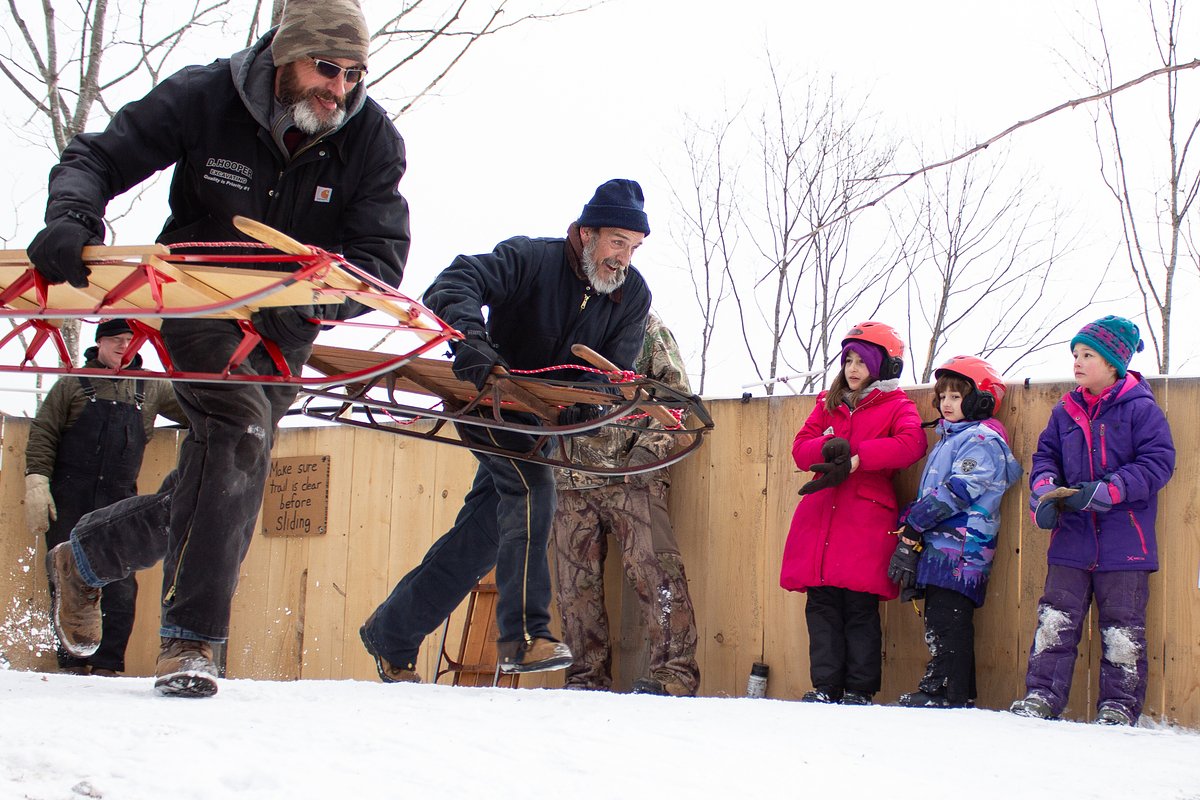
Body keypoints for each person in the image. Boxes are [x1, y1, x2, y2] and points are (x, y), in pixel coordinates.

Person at [30, 0, 410, 697]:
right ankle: (191, 644)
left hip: (287, 324)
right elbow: (101, 154)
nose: (340, 88)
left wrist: (338, 294)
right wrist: (73, 216)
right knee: (235, 434)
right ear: (285, 56)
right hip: (199, 296)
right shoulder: (209, 95)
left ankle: (86, 557)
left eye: (354, 74)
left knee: (226, 470)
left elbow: (382, 252)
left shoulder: (371, 140)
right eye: (327, 68)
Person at [359, 178, 653, 682]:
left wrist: (589, 404)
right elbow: (455, 280)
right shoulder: (530, 260)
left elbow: (611, 372)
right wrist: (471, 339)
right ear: (585, 234)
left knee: (481, 537)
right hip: (489, 403)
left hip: (546, 424)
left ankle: (393, 634)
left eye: (634, 247)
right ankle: (524, 637)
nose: (623, 258)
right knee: (531, 488)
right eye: (617, 242)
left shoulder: (631, 296)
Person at [1010, 316, 1175, 726]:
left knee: (1122, 628)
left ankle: (1118, 707)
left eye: (1088, 355)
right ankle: (1041, 697)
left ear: (1114, 363)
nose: (1078, 363)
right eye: (1075, 355)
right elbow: (1045, 457)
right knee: (1055, 620)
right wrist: (1045, 492)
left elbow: (1158, 462)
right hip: (1071, 539)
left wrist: (1109, 490)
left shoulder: (1141, 409)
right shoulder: (1065, 412)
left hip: (1125, 543)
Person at [551, 311, 700, 697]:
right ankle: (585, 678)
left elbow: (677, 396)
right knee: (573, 587)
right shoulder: (557, 327)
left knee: (656, 572)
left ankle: (675, 677)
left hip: (634, 473)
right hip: (567, 476)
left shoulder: (647, 327)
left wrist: (647, 454)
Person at [24, 319, 184, 676]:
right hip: (70, 497)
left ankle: (109, 666)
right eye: (115, 340)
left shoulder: (152, 387)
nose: (124, 346)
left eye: (131, 340)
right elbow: (44, 433)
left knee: (121, 587)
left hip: (119, 501)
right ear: (98, 345)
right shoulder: (71, 383)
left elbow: (194, 408)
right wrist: (36, 482)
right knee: (66, 584)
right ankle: (73, 664)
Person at [779, 321, 925, 705]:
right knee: (822, 605)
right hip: (820, 518)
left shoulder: (898, 405)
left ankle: (860, 690)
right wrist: (827, 451)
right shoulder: (827, 403)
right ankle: (825, 687)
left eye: (863, 361)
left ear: (884, 367)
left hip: (864, 521)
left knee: (860, 608)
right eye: (849, 360)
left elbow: (912, 443)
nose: (854, 368)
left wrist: (861, 459)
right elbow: (800, 448)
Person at [886, 355, 1021, 709]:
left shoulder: (981, 439)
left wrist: (915, 522)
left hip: (962, 551)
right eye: (942, 395)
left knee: (949, 620)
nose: (946, 403)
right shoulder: (950, 438)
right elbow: (933, 493)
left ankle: (948, 691)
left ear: (980, 400)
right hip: (942, 547)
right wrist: (910, 520)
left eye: (957, 396)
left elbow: (958, 490)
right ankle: (944, 686)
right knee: (939, 618)